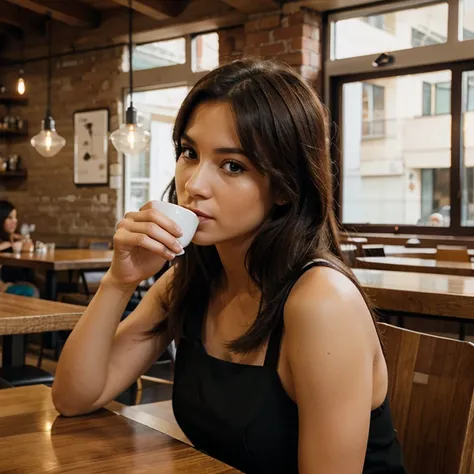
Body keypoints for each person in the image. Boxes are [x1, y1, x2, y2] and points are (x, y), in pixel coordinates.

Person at [52, 59, 406, 474]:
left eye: (232, 165)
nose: (194, 185)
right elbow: (73, 398)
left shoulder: (321, 302)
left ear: (284, 186)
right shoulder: (192, 280)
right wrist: (119, 281)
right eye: (189, 153)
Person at [0, 200, 38, 297]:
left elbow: (28, 248)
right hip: (4, 284)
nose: (15, 221)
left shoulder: (13, 238)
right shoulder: (4, 243)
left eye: (15, 217)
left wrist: (23, 241)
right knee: (32, 290)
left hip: (17, 279)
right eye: (9, 217)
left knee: (41, 282)